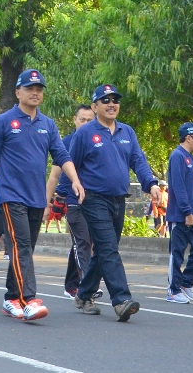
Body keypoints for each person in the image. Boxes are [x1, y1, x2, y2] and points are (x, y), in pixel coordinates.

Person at [0, 69, 85, 321]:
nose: (35, 93)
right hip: (12, 197)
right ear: (18, 92)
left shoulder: (48, 124)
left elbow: (61, 155)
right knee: (21, 245)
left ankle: (11, 298)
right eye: (29, 88)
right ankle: (28, 299)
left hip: (37, 198)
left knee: (24, 249)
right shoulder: (3, 122)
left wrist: (76, 180)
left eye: (39, 89)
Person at [69, 84, 159, 321]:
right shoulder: (84, 134)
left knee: (104, 251)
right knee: (108, 248)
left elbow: (138, 161)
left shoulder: (127, 132)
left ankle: (84, 293)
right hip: (93, 199)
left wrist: (151, 184)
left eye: (115, 100)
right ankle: (121, 300)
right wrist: (67, 197)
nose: (111, 104)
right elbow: (71, 165)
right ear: (94, 106)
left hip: (118, 200)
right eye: (105, 100)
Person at [45, 103, 96, 299]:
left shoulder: (98, 141)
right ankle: (86, 285)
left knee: (86, 242)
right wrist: (48, 203)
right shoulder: (65, 143)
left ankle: (71, 284)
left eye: (89, 120)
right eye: (81, 119)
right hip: (72, 201)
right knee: (82, 242)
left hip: (95, 201)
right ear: (74, 120)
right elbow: (54, 176)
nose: (85, 123)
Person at [165, 122, 193, 303]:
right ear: (189, 137)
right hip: (182, 214)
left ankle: (187, 282)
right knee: (177, 251)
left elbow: (191, 183)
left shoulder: (189, 158)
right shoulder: (177, 156)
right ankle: (174, 289)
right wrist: (186, 211)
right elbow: (178, 186)